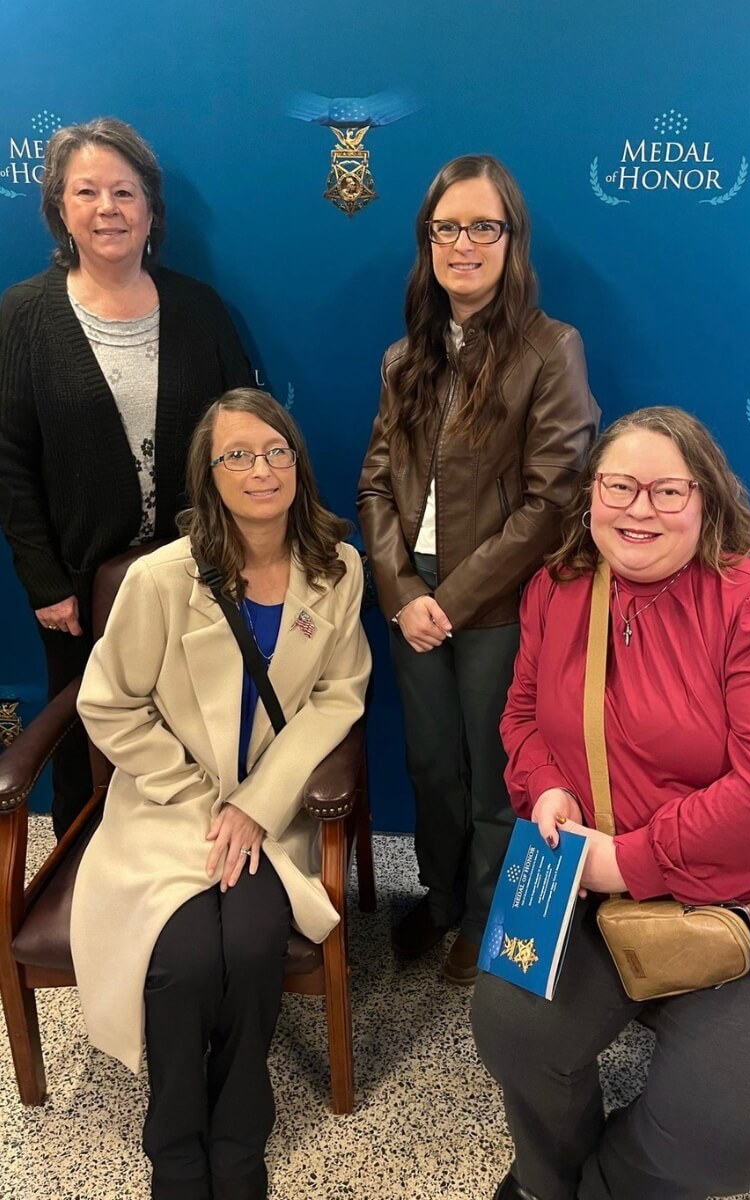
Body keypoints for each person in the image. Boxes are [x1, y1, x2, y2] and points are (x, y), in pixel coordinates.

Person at [471, 406, 750, 1200]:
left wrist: (625, 859)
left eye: (666, 491)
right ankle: (550, 1178)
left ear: (708, 502)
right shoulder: (557, 588)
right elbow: (521, 716)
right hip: (591, 882)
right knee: (510, 1028)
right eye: (620, 486)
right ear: (591, 498)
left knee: (724, 1137)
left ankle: (616, 1185)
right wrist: (544, 785)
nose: (638, 509)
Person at [70, 388, 371, 1200]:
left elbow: (339, 695)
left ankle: (239, 1135)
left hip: (270, 813)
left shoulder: (336, 567)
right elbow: (106, 702)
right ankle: (175, 1146)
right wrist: (201, 795)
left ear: (297, 463)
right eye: (236, 455)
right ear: (208, 474)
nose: (260, 468)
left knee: (247, 945)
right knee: (184, 960)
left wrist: (257, 804)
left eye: (275, 450)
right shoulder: (162, 579)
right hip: (170, 806)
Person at [357, 154, 599, 984]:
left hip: (494, 600)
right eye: (446, 228)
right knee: (429, 761)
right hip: (411, 595)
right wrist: (401, 591)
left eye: (482, 226)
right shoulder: (406, 355)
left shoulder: (550, 349)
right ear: (428, 240)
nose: (464, 243)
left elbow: (553, 501)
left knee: (496, 771)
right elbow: (375, 484)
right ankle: (442, 894)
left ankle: (489, 908)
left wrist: (448, 600)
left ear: (511, 238)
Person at [0, 117, 254, 838]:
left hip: (197, 574)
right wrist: (44, 582)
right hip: (79, 587)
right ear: (60, 208)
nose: (106, 208)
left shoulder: (199, 309)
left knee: (192, 725)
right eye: (87, 192)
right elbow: (9, 462)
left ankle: (191, 866)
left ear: (150, 209)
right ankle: (84, 858)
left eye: (124, 191)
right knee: (88, 731)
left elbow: (244, 432)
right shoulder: (21, 316)